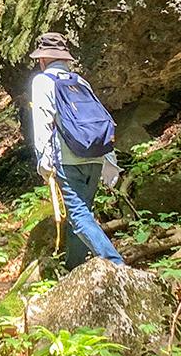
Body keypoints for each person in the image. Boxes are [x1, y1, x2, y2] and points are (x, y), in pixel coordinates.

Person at [26, 32, 125, 268]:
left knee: (80, 217)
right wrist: (109, 160)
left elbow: (43, 121)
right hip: (94, 157)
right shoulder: (80, 82)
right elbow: (99, 118)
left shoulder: (42, 82)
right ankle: (74, 268)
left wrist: (44, 161)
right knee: (81, 215)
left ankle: (117, 264)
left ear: (42, 59)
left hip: (67, 160)